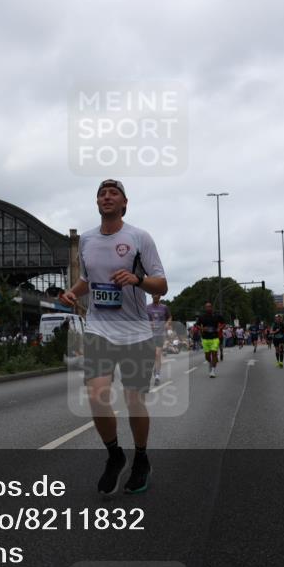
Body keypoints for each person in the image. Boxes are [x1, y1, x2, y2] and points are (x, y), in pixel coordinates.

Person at [60, 179, 167, 496]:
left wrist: (137, 279)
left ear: (124, 204)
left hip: (135, 331)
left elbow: (161, 286)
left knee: (134, 400)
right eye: (102, 193)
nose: (107, 197)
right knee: (96, 395)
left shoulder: (138, 238)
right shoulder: (87, 240)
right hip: (98, 329)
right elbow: (86, 280)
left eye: (113, 193)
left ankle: (141, 458)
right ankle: (114, 454)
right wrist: (72, 292)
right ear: (97, 203)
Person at [145, 294, 171, 385]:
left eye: (157, 295)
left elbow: (170, 317)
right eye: (154, 294)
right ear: (152, 296)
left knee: (157, 354)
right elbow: (144, 319)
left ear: (160, 296)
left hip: (160, 334)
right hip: (149, 335)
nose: (155, 296)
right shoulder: (147, 307)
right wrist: (148, 323)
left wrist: (167, 323)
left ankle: (157, 376)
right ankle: (155, 369)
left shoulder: (164, 307)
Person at [196, 302, 224, 378]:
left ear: (212, 307)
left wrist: (219, 328)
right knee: (207, 357)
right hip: (205, 338)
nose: (208, 308)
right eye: (207, 307)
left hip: (215, 337)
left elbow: (223, 323)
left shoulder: (217, 316)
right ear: (205, 308)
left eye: (209, 307)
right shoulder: (202, 317)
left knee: (214, 354)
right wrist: (202, 328)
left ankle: (213, 371)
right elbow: (197, 325)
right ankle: (211, 363)